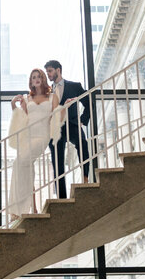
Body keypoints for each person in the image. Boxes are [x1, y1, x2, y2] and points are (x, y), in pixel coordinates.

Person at [6, 68, 63, 218]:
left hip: (41, 136)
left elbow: (57, 116)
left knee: (22, 162)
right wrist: (13, 104)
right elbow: (20, 117)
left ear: (43, 79)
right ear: (31, 81)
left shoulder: (52, 97)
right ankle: (29, 208)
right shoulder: (26, 98)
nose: (36, 79)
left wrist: (66, 107)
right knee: (22, 166)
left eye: (38, 76)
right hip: (28, 137)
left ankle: (19, 209)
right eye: (33, 77)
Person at [44, 59, 91, 198]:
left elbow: (88, 102)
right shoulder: (47, 91)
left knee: (83, 144)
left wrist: (83, 119)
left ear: (58, 70)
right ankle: (61, 195)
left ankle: (85, 177)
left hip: (72, 124)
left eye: (50, 71)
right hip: (55, 129)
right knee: (57, 160)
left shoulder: (74, 86)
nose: (48, 75)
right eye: (47, 72)